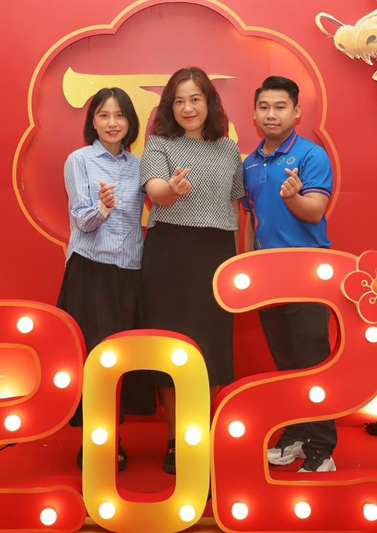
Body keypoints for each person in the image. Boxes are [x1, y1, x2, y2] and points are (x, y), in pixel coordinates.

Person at [140, 67, 244, 473]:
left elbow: (235, 207)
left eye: (195, 99)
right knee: (172, 348)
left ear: (209, 102)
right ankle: (175, 441)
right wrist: (171, 189)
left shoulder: (228, 149)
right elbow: (156, 193)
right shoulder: (158, 143)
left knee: (212, 348)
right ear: (169, 106)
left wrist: (240, 259)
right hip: (169, 252)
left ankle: (200, 435)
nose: (187, 108)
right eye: (179, 101)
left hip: (216, 254)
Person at [242, 75, 337, 473]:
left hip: (306, 275)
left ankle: (322, 451)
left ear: (296, 112)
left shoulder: (312, 156)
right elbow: (251, 220)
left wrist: (294, 197)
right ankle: (297, 435)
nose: (272, 114)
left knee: (312, 363)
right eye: (264, 107)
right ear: (254, 114)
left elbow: (314, 212)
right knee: (285, 362)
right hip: (267, 276)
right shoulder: (249, 163)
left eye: (280, 107)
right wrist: (245, 265)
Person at [58, 87, 151, 471]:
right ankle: (96, 441)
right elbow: (81, 220)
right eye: (103, 115)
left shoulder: (140, 165)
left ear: (130, 122)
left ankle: (115, 434)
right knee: (93, 359)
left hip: (130, 271)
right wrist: (103, 207)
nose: (112, 123)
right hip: (91, 269)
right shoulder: (79, 160)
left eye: (119, 115)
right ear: (92, 121)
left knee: (123, 359)